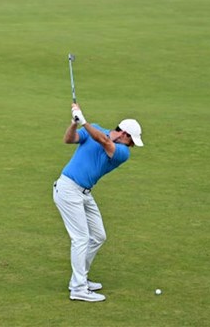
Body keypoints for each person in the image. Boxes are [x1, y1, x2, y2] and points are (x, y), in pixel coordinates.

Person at [53, 102, 144, 302]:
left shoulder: (121, 153)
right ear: (124, 134)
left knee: (99, 236)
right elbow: (69, 140)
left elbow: (103, 141)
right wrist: (75, 123)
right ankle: (77, 288)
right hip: (68, 189)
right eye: (132, 141)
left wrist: (84, 121)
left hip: (84, 193)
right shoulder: (96, 130)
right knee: (81, 238)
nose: (131, 146)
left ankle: (80, 278)